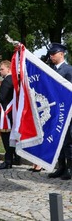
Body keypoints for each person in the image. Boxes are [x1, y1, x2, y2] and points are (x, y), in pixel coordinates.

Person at [47, 43, 72, 180]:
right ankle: (61, 166)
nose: (51, 56)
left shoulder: (68, 70)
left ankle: (69, 168)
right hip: (55, 111)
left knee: (68, 139)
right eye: (50, 54)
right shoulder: (50, 70)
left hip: (66, 111)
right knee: (58, 140)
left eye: (53, 54)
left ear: (61, 54)